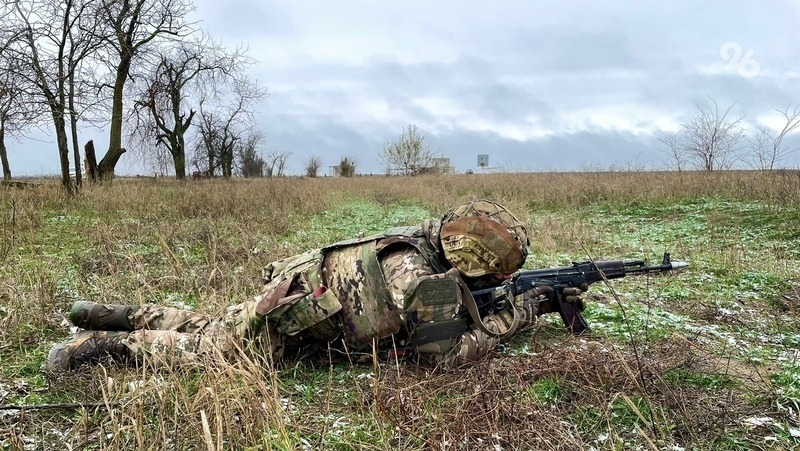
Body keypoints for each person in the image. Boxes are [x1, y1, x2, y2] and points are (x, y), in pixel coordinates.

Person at [47, 200, 585, 372]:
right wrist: (517, 314)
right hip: (280, 330)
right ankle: (92, 347)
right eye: (494, 272)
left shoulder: (412, 244)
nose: (498, 282)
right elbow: (444, 357)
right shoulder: (418, 278)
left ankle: (103, 310)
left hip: (287, 296)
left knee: (202, 321)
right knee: (198, 350)